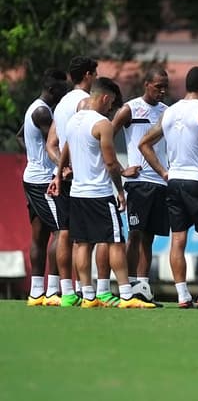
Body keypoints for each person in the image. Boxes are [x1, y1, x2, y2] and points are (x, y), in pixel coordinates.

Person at [47, 77, 155, 308]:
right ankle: (127, 295)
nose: (110, 109)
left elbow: (64, 149)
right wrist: (120, 191)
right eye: (111, 103)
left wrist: (57, 175)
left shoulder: (74, 121)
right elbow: (110, 164)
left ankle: (87, 295)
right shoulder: (102, 124)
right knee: (115, 242)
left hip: (77, 194)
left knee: (82, 244)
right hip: (99, 193)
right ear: (105, 98)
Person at [139, 66, 198, 309]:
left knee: (178, 239)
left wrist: (164, 172)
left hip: (174, 181)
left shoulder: (170, 112)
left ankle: (183, 296)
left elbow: (144, 143)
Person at [45, 55, 107, 307]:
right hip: (84, 180)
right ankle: (96, 291)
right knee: (97, 237)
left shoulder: (61, 104)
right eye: (95, 73)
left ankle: (67, 292)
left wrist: (61, 168)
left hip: (64, 176)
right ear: (89, 75)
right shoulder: (84, 103)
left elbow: (51, 144)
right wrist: (70, 167)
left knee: (64, 234)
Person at [112, 66, 170, 299]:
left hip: (161, 182)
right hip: (138, 182)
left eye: (165, 87)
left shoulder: (168, 112)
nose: (162, 91)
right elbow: (104, 138)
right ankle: (127, 287)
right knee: (135, 234)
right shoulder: (130, 109)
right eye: (158, 87)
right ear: (146, 84)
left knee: (150, 237)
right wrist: (121, 169)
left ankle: (143, 289)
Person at [17, 69, 69, 306]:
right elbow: (53, 145)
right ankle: (52, 290)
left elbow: (20, 136)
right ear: (51, 90)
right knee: (61, 232)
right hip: (44, 180)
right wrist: (62, 166)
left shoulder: (34, 108)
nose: (64, 93)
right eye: (61, 90)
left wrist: (33, 156)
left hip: (33, 177)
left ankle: (36, 292)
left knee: (40, 235)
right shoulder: (42, 112)